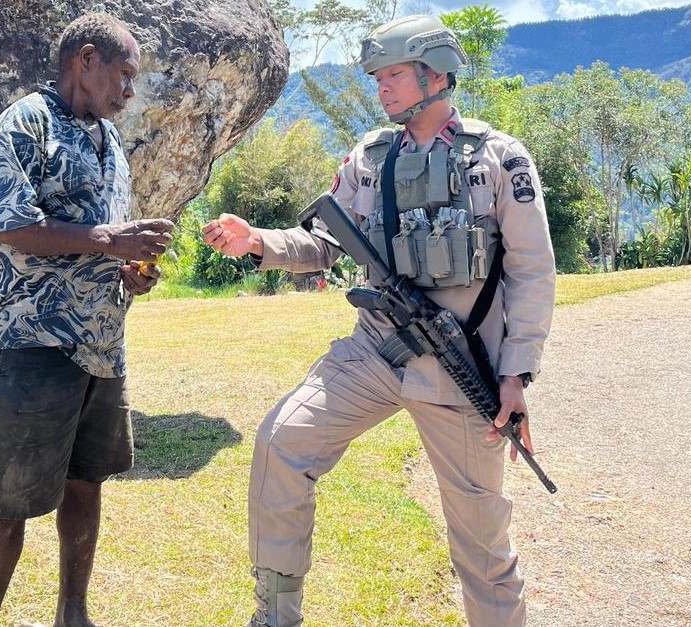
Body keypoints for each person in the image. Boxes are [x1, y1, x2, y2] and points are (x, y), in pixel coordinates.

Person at [203, 14, 555, 627]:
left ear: (436, 75)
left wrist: (515, 375)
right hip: (377, 350)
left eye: (394, 75)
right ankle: (276, 614)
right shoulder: (369, 158)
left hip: (461, 367)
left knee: (482, 542)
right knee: (282, 442)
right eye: (378, 77)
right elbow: (322, 242)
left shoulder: (500, 159)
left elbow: (532, 272)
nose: (382, 88)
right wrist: (257, 240)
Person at [0, 13, 174, 627]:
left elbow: (104, 242)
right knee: (9, 499)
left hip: (103, 347)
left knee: (88, 483)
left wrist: (130, 272)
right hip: (32, 342)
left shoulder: (111, 143)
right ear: (86, 60)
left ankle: (73, 613)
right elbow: (12, 225)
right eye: (125, 75)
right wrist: (111, 240)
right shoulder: (26, 122)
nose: (130, 91)